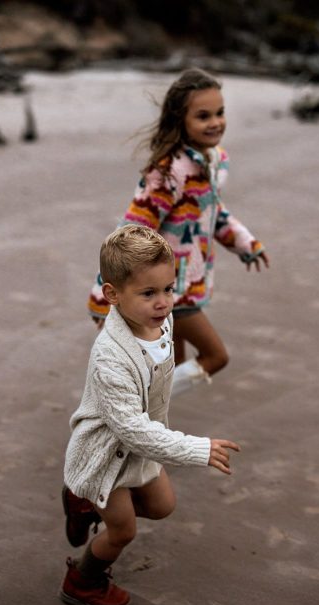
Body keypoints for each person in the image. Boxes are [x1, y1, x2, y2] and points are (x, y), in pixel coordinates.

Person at [61, 225, 240, 605]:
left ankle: (83, 503)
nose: (163, 302)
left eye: (168, 289)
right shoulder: (110, 358)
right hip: (106, 455)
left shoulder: (163, 321)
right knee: (123, 530)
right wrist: (197, 448)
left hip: (139, 448)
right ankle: (82, 580)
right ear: (112, 294)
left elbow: (160, 378)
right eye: (148, 293)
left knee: (162, 506)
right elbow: (132, 430)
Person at [87, 68, 269, 397]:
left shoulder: (211, 163)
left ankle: (141, 425)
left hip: (186, 283)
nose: (215, 122)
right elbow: (132, 231)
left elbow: (212, 215)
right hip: (168, 290)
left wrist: (246, 243)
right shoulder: (170, 172)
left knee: (168, 367)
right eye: (203, 116)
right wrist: (103, 294)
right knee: (216, 356)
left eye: (220, 112)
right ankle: (131, 411)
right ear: (180, 120)